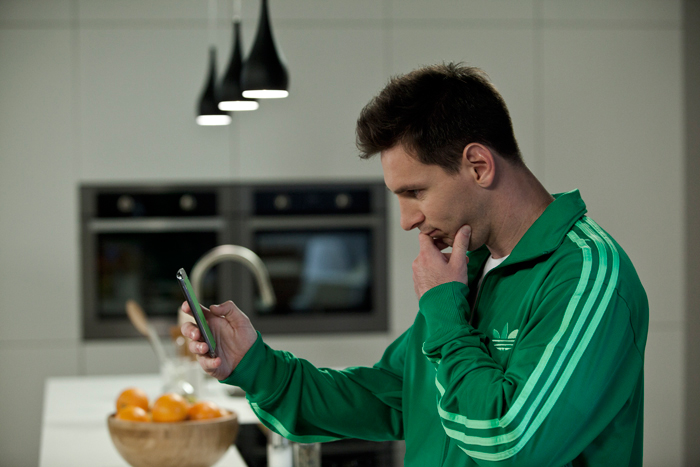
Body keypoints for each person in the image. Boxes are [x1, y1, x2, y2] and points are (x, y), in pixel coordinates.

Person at [182, 63, 648, 466]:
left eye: (415, 192)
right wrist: (255, 365)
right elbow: (387, 396)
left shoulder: (586, 275)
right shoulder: (468, 269)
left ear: (479, 165)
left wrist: (444, 311)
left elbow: (508, 443)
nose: (407, 221)